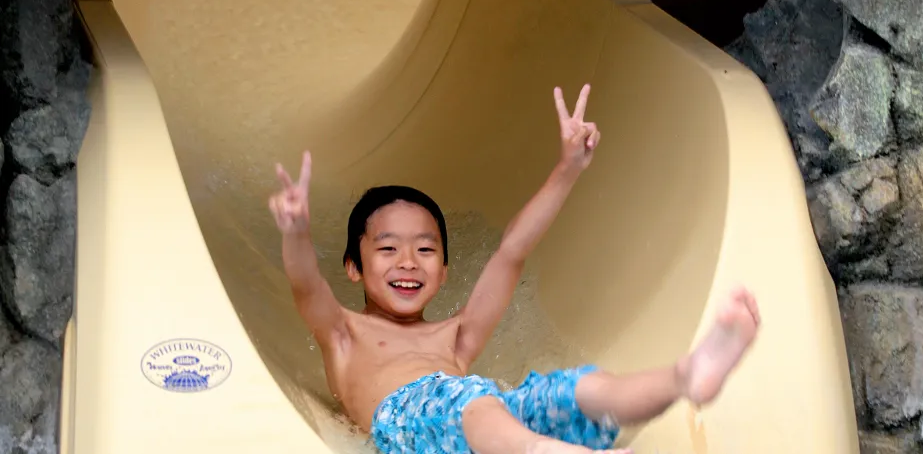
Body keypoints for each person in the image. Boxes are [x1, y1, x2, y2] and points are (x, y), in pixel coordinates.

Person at [268, 84, 761, 454]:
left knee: (574, 388)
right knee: (468, 400)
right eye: (387, 248)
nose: (407, 262)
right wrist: (295, 230)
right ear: (353, 267)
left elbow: (511, 252)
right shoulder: (344, 334)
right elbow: (306, 285)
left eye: (425, 250)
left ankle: (685, 376)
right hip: (414, 428)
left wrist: (567, 169)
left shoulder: (455, 337)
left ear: (443, 272)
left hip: (486, 420)